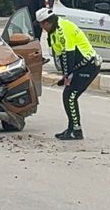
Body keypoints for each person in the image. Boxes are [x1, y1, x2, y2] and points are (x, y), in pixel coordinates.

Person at [37, 8, 101, 140]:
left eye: (41, 24)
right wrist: (66, 75)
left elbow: (68, 54)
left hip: (88, 65)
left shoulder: (63, 29)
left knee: (70, 96)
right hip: (79, 67)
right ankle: (72, 128)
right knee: (68, 95)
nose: (41, 27)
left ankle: (76, 131)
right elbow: (60, 55)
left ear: (47, 23)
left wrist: (67, 76)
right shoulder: (54, 31)